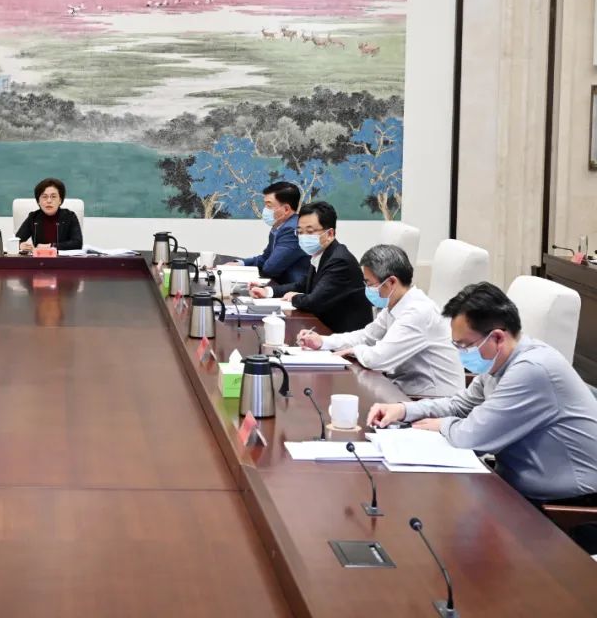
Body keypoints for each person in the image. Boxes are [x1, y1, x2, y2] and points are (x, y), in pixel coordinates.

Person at [367, 282, 597, 504]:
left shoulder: (531, 370)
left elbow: (472, 437)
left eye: (465, 346)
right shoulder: (499, 362)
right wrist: (403, 410)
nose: (461, 354)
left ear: (497, 337)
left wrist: (443, 424)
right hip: (514, 486)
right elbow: (460, 404)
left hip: (568, 504)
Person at [297, 244, 464, 397]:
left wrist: (353, 350)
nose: (367, 289)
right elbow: (367, 336)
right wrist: (323, 341)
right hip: (405, 389)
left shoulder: (418, 312)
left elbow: (378, 359)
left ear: (391, 282)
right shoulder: (396, 304)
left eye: (370, 284)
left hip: (431, 399)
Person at [251, 201, 371, 333]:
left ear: (330, 234)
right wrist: (268, 291)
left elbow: (313, 302)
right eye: (299, 232)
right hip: (324, 326)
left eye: (309, 231)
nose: (303, 237)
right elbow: (301, 285)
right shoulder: (321, 254)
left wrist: (294, 297)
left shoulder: (339, 261)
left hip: (342, 334)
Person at [227, 181, 309, 285]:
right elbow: (265, 258)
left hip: (294, 289)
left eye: (269, 205)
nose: (265, 210)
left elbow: (271, 268)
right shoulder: (278, 226)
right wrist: (240, 264)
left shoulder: (292, 230)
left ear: (286, 209)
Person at [15, 178, 83, 251]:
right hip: (40, 258)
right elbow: (16, 241)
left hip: (63, 258)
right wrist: (20, 245)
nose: (49, 201)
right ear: (38, 201)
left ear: (60, 200)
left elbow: (77, 243)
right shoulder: (33, 217)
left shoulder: (69, 216)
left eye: (53, 196)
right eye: (44, 197)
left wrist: (51, 246)